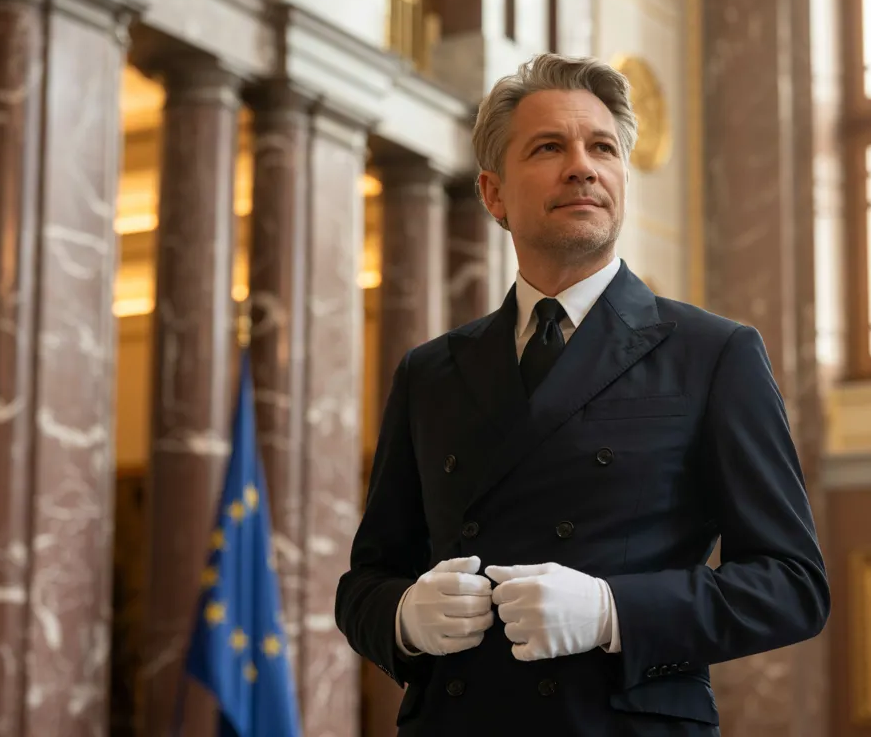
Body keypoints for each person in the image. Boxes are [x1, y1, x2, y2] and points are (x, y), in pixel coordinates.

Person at [335, 53, 829, 736]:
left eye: (602, 147)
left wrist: (610, 610)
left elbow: (792, 586)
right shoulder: (429, 372)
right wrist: (403, 618)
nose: (582, 165)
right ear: (494, 194)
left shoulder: (713, 353)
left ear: (622, 177)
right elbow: (366, 581)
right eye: (548, 147)